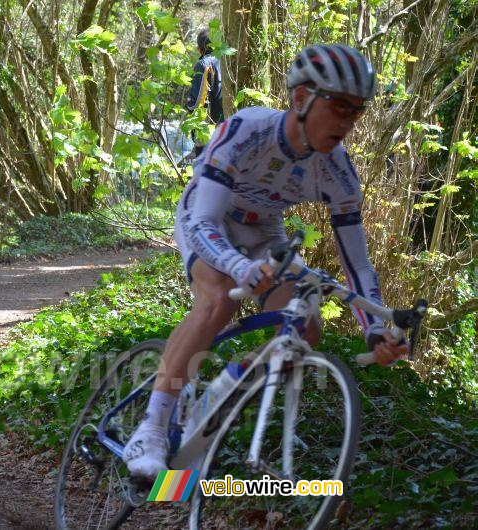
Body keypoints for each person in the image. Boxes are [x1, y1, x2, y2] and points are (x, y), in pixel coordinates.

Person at [122, 44, 409, 480]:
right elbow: (203, 222)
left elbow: (358, 267)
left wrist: (375, 330)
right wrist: (238, 268)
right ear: (301, 99)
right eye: (339, 107)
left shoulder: (338, 172)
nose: (348, 123)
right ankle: (152, 427)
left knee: (304, 330)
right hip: (208, 216)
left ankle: (218, 393)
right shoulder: (247, 129)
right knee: (218, 298)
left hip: (264, 231)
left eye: (357, 112)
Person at [186, 27, 225, 158]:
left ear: (200, 49)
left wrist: (188, 109)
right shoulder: (228, 60)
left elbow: (197, 103)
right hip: (230, 125)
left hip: (211, 130)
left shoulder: (203, 65)